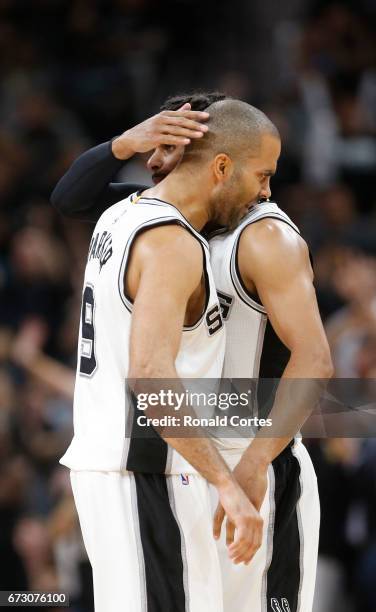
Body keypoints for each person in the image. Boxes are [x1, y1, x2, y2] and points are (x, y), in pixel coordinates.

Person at [52, 92, 333, 611]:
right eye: (263, 175)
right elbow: (68, 197)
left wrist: (248, 467)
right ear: (217, 165)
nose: (269, 191)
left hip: (244, 459)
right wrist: (123, 143)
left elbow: (315, 360)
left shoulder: (261, 233)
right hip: (176, 460)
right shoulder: (161, 227)